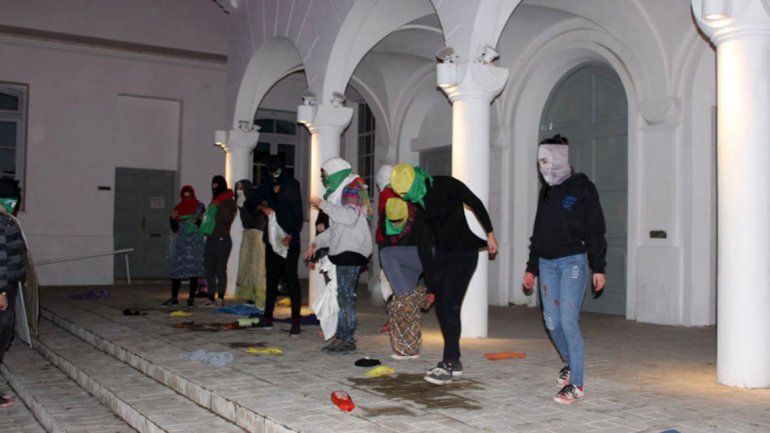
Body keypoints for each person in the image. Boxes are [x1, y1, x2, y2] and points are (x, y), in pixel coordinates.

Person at [389, 163, 497, 385]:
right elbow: (423, 245)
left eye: (410, 194)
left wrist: (490, 233)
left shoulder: (446, 184)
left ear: (417, 181)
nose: (410, 199)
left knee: (451, 303)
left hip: (465, 253)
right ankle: (454, 359)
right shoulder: (417, 203)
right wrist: (430, 285)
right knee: (442, 304)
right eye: (406, 197)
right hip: (442, 255)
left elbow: (474, 202)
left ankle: (448, 361)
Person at [522, 135, 607, 405]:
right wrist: (531, 267)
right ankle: (569, 363)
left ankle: (577, 385)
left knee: (568, 321)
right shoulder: (546, 192)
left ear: (559, 158)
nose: (542, 166)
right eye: (539, 162)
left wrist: (599, 266)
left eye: (546, 160)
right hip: (547, 263)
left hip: (573, 261)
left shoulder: (582, 187)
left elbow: (595, 229)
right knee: (552, 322)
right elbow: (539, 232)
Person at [304, 157, 373, 355]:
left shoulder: (351, 188)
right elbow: (336, 229)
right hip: (344, 249)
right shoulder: (339, 192)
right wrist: (316, 243)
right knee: (344, 297)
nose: (324, 178)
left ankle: (347, 340)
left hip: (352, 250)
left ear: (335, 172)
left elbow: (349, 218)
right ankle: (342, 337)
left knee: (346, 298)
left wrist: (323, 204)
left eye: (325, 174)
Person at [249, 157, 304, 336]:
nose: (274, 175)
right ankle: (267, 318)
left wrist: (291, 235)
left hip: (289, 240)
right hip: (272, 240)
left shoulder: (292, 185)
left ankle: (296, 322)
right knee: (271, 280)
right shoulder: (266, 184)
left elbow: (298, 215)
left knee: (291, 280)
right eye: (271, 172)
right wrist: (262, 207)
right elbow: (250, 202)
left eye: (277, 171)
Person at [0, 178, 26, 408]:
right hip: (2, 288)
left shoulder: (7, 221)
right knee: (1, 335)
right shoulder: (3, 223)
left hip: (7, 285)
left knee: (4, 336)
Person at [164, 185, 205, 307]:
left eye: (189, 196)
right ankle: (174, 298)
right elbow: (175, 229)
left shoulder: (200, 207)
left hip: (195, 244)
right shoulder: (178, 208)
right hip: (182, 244)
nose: (187, 199)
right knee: (177, 270)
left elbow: (204, 223)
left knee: (194, 271)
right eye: (185, 196)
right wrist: (172, 218)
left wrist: (197, 221)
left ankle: (191, 298)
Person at [202, 175, 237, 307]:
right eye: (213, 185)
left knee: (220, 269)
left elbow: (228, 219)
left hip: (222, 239)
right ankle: (210, 297)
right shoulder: (214, 200)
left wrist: (219, 206)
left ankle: (220, 297)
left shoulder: (229, 201)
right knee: (208, 268)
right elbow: (211, 219)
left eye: (217, 185)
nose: (214, 188)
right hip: (211, 238)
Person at [234, 179, 267, 308]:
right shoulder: (241, 203)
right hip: (248, 235)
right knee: (247, 267)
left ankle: (261, 299)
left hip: (258, 235)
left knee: (258, 269)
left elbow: (259, 216)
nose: (239, 190)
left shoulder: (254, 201)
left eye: (241, 187)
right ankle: (251, 298)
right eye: (237, 188)